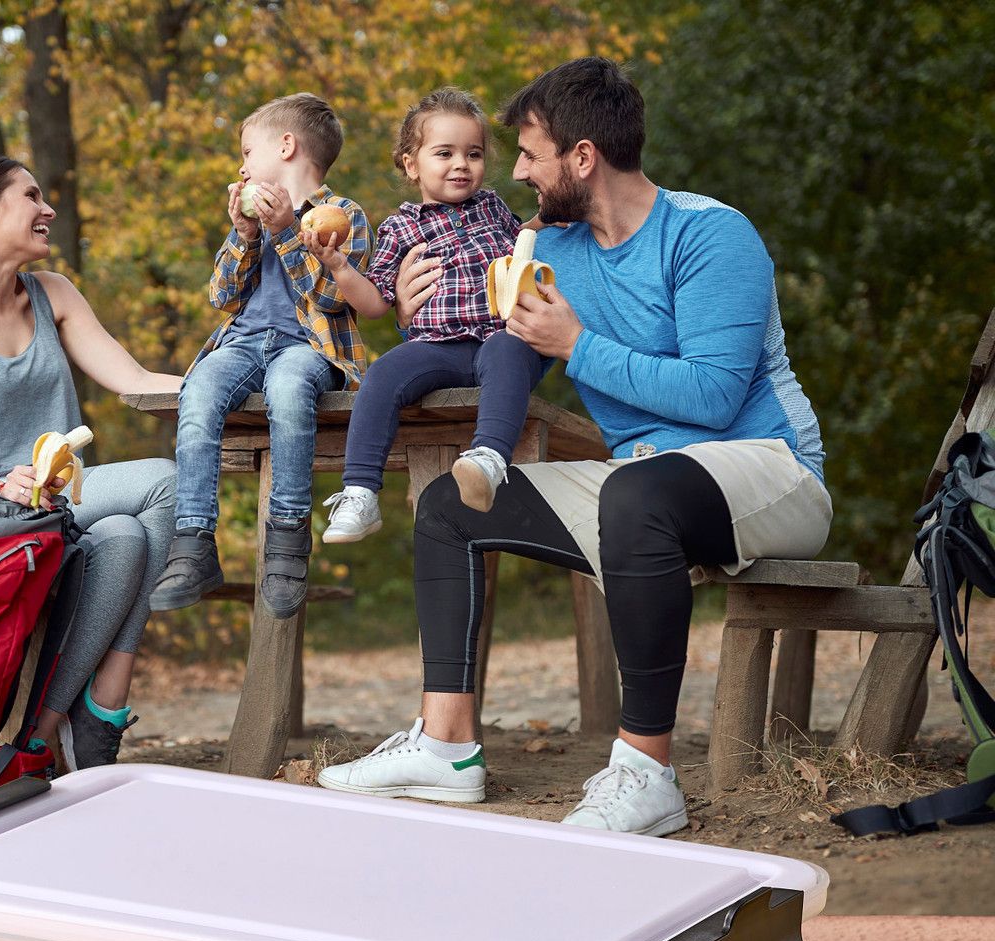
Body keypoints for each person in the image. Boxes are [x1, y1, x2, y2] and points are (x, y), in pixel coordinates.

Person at [318, 57, 832, 837]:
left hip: (769, 471)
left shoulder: (708, 232)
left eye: (529, 152)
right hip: (642, 485)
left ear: (583, 158)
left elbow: (714, 398)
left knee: (637, 490)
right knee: (449, 505)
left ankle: (645, 769)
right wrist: (403, 307)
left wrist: (577, 344)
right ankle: (446, 746)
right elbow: (480, 336)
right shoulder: (548, 245)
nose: (515, 170)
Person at [0, 155, 180, 771]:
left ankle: (53, 730)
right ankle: (96, 710)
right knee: (167, 481)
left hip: (61, 504)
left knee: (128, 535)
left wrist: (233, 386)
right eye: (32, 196)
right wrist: (1, 485)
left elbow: (136, 379)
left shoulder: (53, 295)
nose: (48, 210)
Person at [147, 93, 371, 619]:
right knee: (197, 389)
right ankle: (194, 540)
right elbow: (222, 297)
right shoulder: (251, 217)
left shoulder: (343, 216)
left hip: (308, 347)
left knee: (289, 391)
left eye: (248, 152)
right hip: (244, 343)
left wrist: (287, 232)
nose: (242, 166)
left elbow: (334, 299)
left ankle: (287, 543)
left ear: (287, 146)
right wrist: (246, 234)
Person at [312, 87, 547, 542]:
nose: (461, 163)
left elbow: (523, 241)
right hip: (438, 347)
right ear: (411, 163)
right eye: (445, 153)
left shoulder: (493, 206)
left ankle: (488, 460)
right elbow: (377, 302)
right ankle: (359, 490)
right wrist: (340, 267)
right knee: (383, 374)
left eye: (473, 153)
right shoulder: (401, 226)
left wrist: (551, 216)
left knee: (509, 348)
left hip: (499, 338)